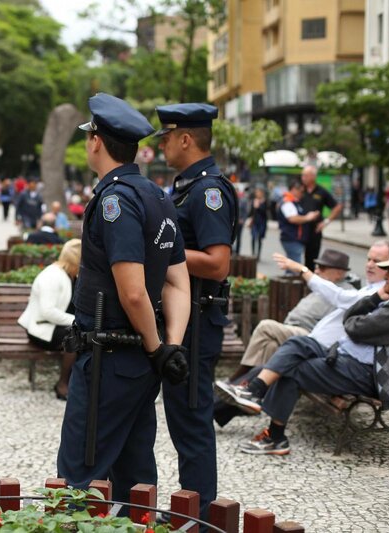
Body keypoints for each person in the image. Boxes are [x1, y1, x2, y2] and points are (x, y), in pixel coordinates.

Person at [56, 93, 190, 508]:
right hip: (139, 361)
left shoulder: (114, 201)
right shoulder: (158, 195)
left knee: (80, 475)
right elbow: (177, 282)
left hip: (110, 358)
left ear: (96, 141)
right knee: (135, 477)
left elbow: (132, 291)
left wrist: (156, 347)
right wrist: (169, 346)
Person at [217, 248, 389, 455]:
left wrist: (369, 306)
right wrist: (374, 299)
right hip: (348, 358)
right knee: (298, 344)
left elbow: (355, 327)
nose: (386, 275)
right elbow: (354, 321)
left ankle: (270, 426)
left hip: (368, 373)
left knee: (292, 368)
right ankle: (256, 396)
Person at [154, 102, 237, 518]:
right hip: (186, 317)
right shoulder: (187, 185)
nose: (162, 145)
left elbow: (218, 262)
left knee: (191, 422)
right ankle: (191, 508)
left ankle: (200, 516)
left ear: (186, 138)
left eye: (165, 137)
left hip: (199, 321)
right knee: (183, 420)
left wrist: (162, 255)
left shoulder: (207, 191)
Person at [229, 249, 354, 380]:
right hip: (292, 330)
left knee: (265, 326)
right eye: (317, 267)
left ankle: (238, 378)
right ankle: (253, 389)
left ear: (339, 273)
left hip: (310, 337)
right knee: (271, 345)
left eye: (322, 268)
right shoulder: (325, 286)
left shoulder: (344, 293)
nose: (316, 271)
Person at [17, 239, 82, 400]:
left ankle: (77, 384)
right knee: (75, 337)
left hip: (54, 327)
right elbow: (48, 312)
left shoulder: (67, 275)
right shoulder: (52, 276)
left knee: (79, 335)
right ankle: (62, 384)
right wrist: (77, 321)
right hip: (41, 330)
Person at [300, 165, 342, 271]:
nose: (303, 178)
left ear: (313, 177)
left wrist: (326, 222)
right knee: (297, 258)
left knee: (311, 260)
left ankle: (308, 284)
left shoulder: (321, 191)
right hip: (299, 229)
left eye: (305, 175)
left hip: (314, 230)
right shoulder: (300, 190)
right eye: (302, 175)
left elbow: (337, 207)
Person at [278, 179, 319, 269]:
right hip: (292, 238)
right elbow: (293, 218)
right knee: (295, 268)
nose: (302, 194)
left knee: (291, 266)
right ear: (293, 189)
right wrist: (308, 217)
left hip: (294, 238)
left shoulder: (293, 201)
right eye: (300, 191)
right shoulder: (288, 201)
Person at [248, 188, 268, 260]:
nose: (257, 194)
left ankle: (258, 255)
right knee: (253, 237)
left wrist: (258, 206)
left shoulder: (264, 201)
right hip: (255, 222)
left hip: (262, 222)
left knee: (259, 238)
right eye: (256, 192)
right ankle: (253, 254)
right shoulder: (254, 200)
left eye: (259, 192)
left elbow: (265, 212)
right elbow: (251, 212)